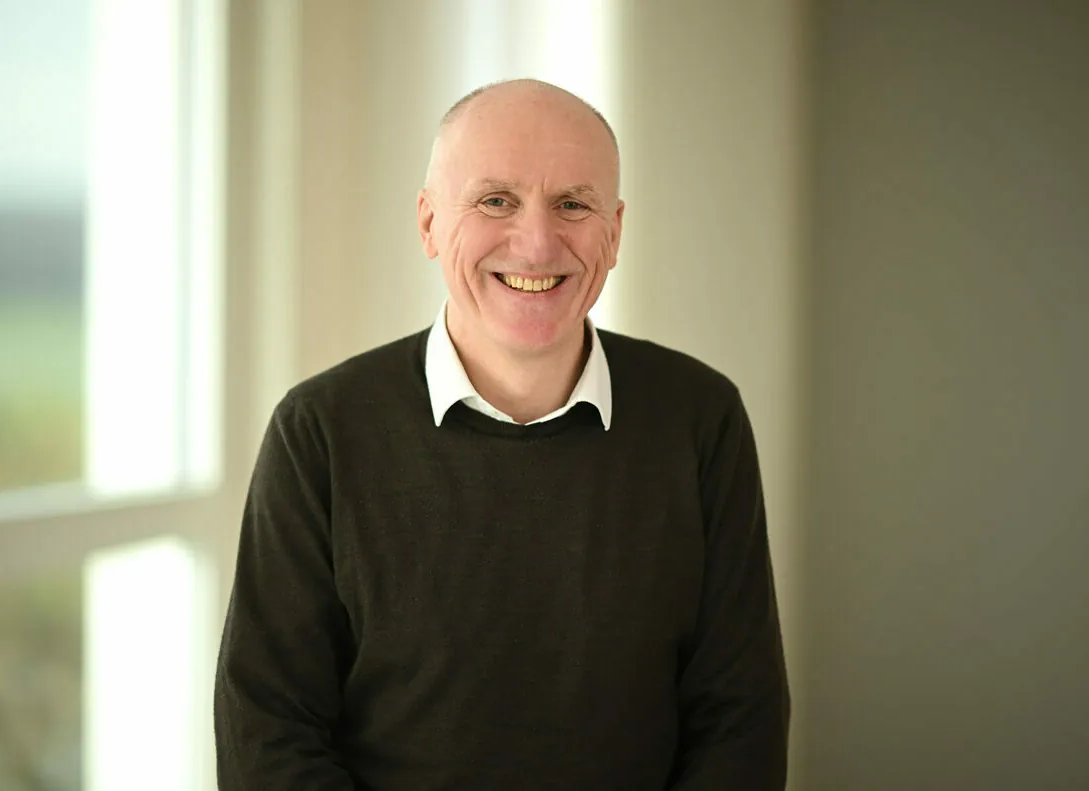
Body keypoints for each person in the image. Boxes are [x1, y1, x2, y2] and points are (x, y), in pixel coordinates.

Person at [214, 78, 790, 790]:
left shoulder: (701, 417)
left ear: (615, 232)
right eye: (494, 200)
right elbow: (267, 732)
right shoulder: (320, 431)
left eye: (572, 204)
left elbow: (740, 717)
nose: (536, 241)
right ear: (427, 223)